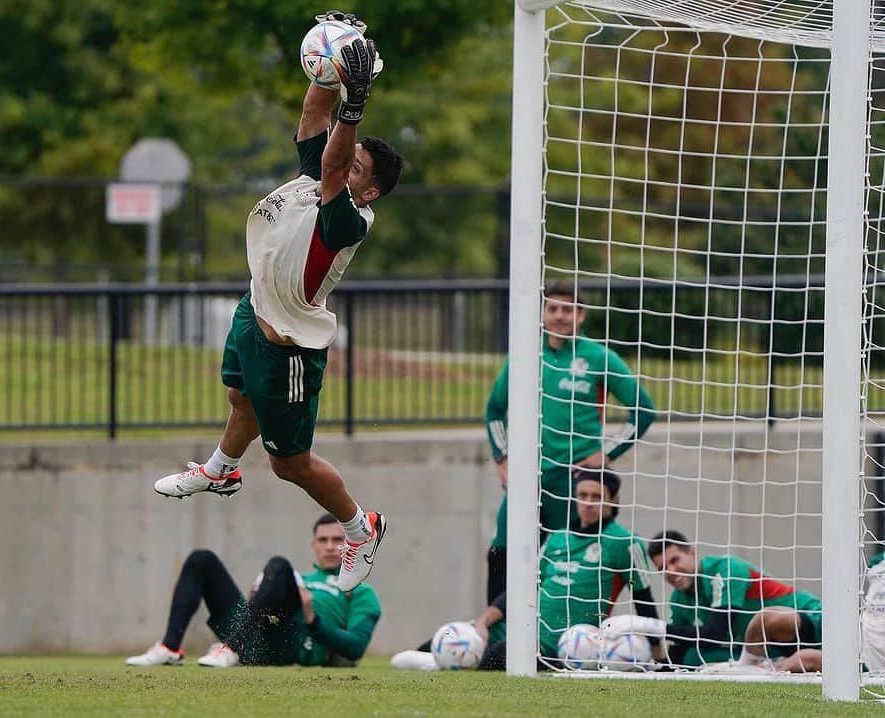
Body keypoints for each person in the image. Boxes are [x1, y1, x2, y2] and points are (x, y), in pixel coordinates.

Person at [151, 10, 403, 592]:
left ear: (369, 190)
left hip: (288, 345)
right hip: (253, 307)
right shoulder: (321, 172)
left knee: (289, 464)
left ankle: (360, 525)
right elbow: (316, 115)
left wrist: (357, 99)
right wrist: (335, 65)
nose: (344, 158)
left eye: (359, 164)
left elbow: (338, 161)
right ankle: (219, 471)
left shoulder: (348, 216)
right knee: (238, 395)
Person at [484, 281, 656, 602]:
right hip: (528, 478)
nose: (559, 316)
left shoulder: (599, 357)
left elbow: (643, 410)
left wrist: (606, 453)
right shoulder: (525, 353)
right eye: (552, 309)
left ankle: (569, 638)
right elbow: (494, 409)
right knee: (502, 554)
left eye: (567, 310)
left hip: (574, 481)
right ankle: (492, 639)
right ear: (543, 313)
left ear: (581, 315)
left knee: (570, 565)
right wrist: (503, 457)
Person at [391, 469, 659, 671]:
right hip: (516, 627)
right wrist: (483, 623)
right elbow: (524, 587)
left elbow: (644, 596)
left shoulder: (625, 542)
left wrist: (658, 650)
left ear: (614, 500)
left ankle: (448, 663)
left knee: (499, 655)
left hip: (560, 643)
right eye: (583, 495)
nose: (588, 502)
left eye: (597, 497)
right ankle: (441, 658)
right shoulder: (557, 537)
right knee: (441, 639)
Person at [126, 513, 381, 668]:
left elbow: (355, 647)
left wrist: (311, 617)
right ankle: (170, 648)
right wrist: (256, 600)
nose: (329, 546)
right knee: (201, 559)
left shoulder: (358, 590)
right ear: (313, 544)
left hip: (290, 644)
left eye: (338, 540)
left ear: (349, 546)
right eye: (323, 540)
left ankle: (230, 649)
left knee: (280, 565)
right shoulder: (300, 579)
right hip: (253, 637)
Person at [602, 530, 822, 672]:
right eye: (663, 569)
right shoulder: (679, 598)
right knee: (689, 657)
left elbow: (713, 633)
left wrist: (645, 624)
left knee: (767, 620)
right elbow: (681, 649)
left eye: (675, 560)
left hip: (810, 625)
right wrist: (642, 662)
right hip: (768, 648)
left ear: (692, 552)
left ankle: (756, 667)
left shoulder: (724, 569)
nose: (671, 571)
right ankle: (767, 666)